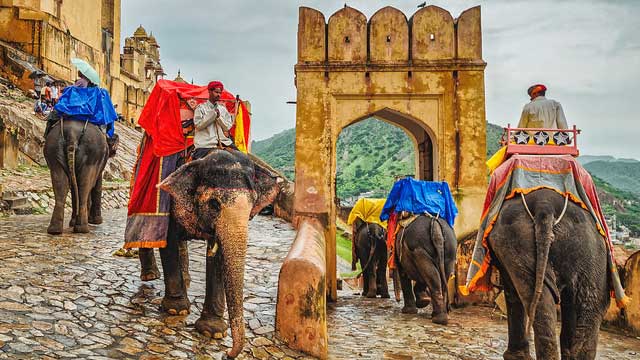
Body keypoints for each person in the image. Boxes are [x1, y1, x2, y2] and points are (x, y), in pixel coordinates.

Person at [189, 80, 235, 159]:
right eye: (216, 92)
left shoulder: (223, 109)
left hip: (224, 143)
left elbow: (227, 127)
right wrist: (212, 115)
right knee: (197, 168)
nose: (218, 95)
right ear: (209, 92)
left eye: (220, 93)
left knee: (241, 159)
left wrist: (219, 118)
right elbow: (198, 126)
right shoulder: (200, 108)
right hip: (205, 145)